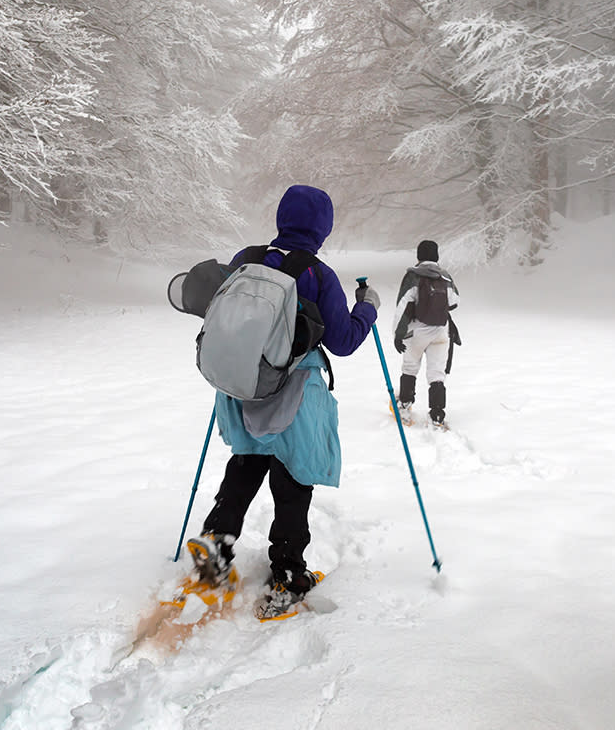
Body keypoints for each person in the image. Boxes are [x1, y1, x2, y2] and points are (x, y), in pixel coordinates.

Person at [187, 184, 379, 618]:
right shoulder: (317, 273)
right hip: (294, 389)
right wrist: (367, 308)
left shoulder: (246, 259)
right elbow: (344, 341)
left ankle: (215, 546)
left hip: (242, 384)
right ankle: (288, 575)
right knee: (292, 478)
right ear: (322, 229)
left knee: (247, 460)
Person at [392, 239, 459, 428]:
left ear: (419, 256)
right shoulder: (445, 276)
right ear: (436, 257)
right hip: (440, 331)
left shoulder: (413, 276)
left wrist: (397, 334)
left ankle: (404, 406)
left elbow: (402, 305)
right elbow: (455, 301)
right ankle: (437, 415)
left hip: (417, 331)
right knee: (436, 373)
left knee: (410, 367)